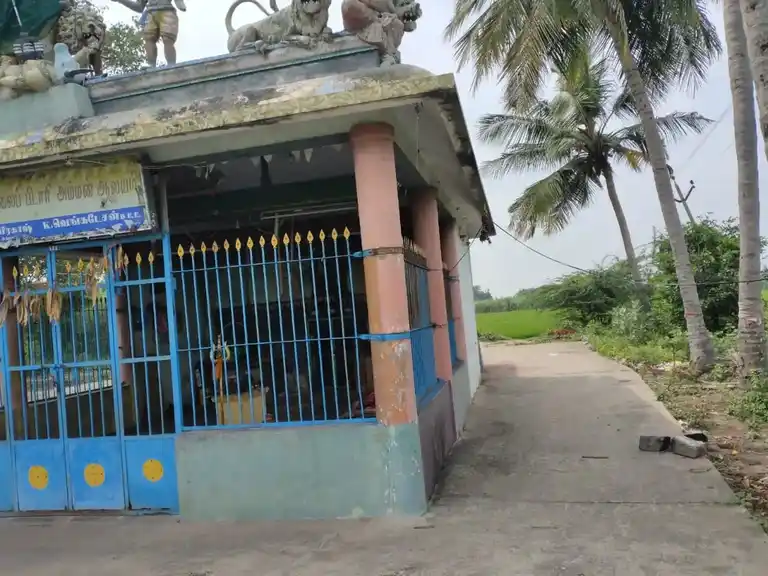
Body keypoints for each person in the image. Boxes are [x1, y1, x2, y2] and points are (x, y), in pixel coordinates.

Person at [111, 0, 187, 67]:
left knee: (167, 38)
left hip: (166, 10)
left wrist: (180, 4)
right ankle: (151, 65)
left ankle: (171, 64)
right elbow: (139, 7)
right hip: (150, 13)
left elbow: (180, 3)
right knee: (149, 38)